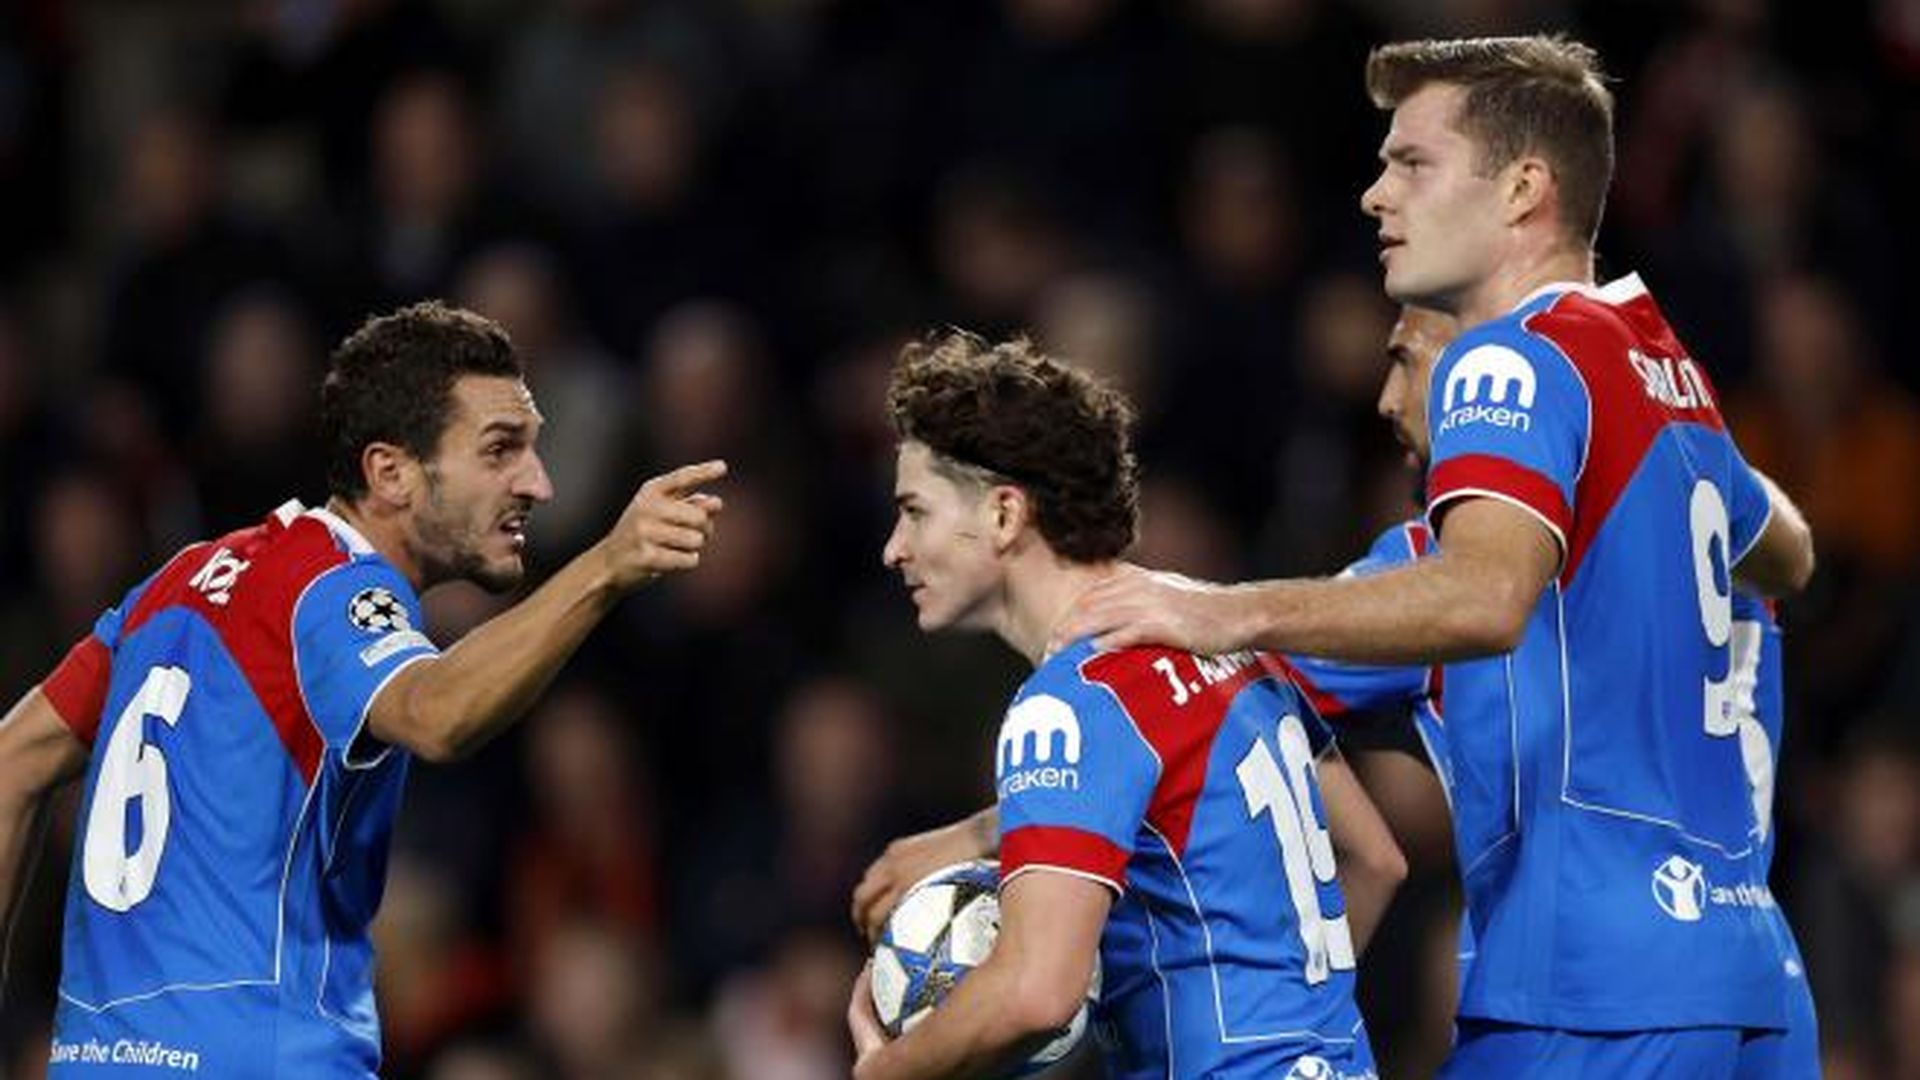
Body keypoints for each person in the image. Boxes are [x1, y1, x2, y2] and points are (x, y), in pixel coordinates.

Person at [1054, 36, 1818, 1077]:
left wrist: (1223, 609)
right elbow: (1793, 556)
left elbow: (1483, 597)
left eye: (1411, 162)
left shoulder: (1510, 354)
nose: (1375, 195)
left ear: (1522, 189)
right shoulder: (1659, 367)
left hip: (1588, 985)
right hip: (1753, 977)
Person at [0, 301, 726, 1077]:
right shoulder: (333, 590)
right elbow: (437, 713)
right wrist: (606, 565)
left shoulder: (172, 587)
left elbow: (12, 760)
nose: (538, 483)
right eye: (500, 449)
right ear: (391, 472)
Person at [845, 332, 1404, 1080]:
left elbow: (1038, 990)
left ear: (1007, 514)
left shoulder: (1072, 702)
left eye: (915, 511)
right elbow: (1373, 858)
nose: (894, 548)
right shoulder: (1225, 640)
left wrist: (885, 1070)